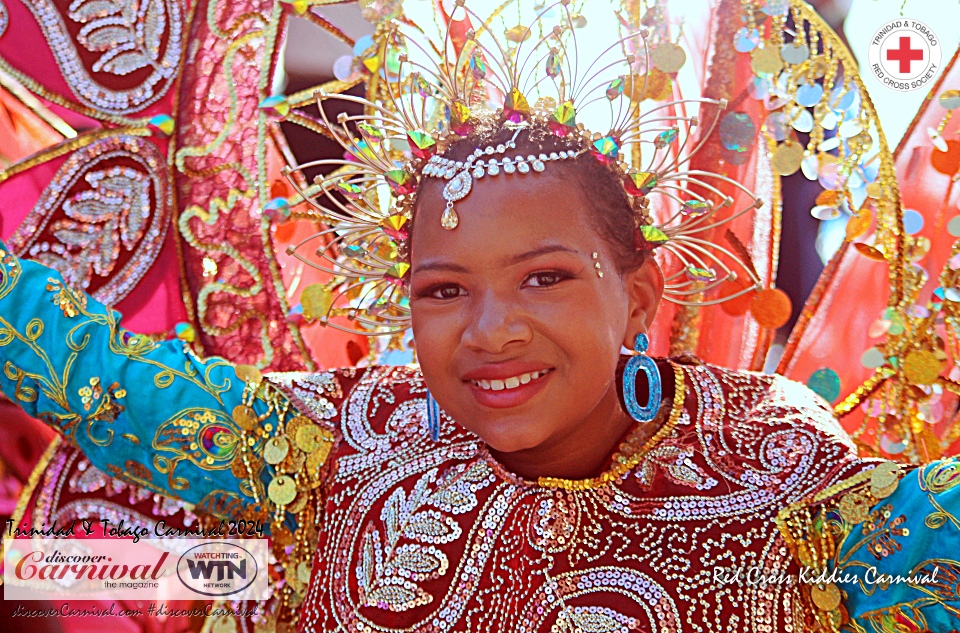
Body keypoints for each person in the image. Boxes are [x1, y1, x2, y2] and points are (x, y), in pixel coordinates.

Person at [2, 2, 959, 632]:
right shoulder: (338, 439)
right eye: (444, 290)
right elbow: (87, 371)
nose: (490, 330)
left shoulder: (779, 475)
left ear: (640, 293)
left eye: (544, 278)